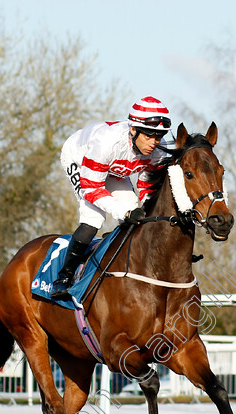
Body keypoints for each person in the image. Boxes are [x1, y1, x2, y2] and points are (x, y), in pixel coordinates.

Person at [49, 96, 172, 301]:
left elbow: (147, 186)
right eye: (149, 135)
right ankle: (64, 277)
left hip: (114, 170)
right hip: (80, 159)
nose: (154, 143)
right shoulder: (107, 143)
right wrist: (123, 212)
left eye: (159, 136)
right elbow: (91, 189)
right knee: (94, 218)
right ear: (133, 129)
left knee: (136, 216)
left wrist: (147, 213)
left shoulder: (158, 150)